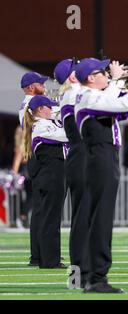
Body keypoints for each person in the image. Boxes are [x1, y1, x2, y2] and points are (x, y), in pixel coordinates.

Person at [74, 58, 128, 293]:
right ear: (90, 78)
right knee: (101, 219)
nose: (108, 74)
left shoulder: (96, 98)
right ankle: (97, 278)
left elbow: (121, 112)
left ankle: (93, 276)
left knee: (99, 218)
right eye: (103, 72)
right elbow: (121, 106)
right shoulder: (88, 96)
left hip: (102, 157)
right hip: (100, 157)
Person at [54, 59, 90, 288]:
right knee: (82, 219)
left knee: (83, 219)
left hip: (80, 158)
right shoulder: (74, 94)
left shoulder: (72, 94)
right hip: (82, 158)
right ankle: (78, 276)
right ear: (72, 77)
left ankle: (80, 275)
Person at [22, 95, 68, 268]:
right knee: (51, 219)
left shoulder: (44, 124)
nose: (52, 109)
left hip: (50, 176)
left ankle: (44, 257)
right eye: (49, 107)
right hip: (51, 176)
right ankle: (50, 260)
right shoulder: (41, 126)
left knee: (48, 218)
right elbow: (67, 135)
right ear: (41, 109)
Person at [18, 72, 48, 266]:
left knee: (40, 208)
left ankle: (40, 253)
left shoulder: (28, 103)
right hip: (39, 157)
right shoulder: (31, 104)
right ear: (31, 87)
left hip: (35, 156)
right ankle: (38, 254)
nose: (44, 86)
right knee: (41, 208)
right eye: (40, 84)